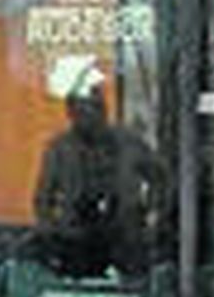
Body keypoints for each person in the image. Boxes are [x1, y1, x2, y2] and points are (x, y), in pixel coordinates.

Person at [30, 80, 168, 278]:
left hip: (125, 240)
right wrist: (53, 230)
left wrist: (152, 217)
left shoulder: (129, 143)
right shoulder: (60, 150)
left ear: (104, 110)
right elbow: (43, 199)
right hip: (77, 242)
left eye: (95, 108)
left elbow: (161, 179)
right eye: (81, 110)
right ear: (71, 114)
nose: (90, 116)